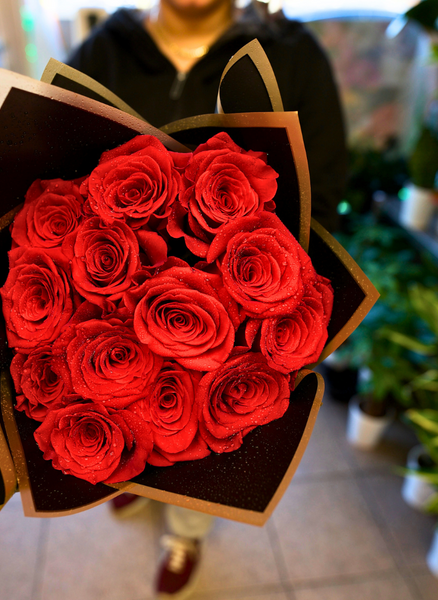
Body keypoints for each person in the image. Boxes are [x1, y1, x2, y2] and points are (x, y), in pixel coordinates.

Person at [67, 1, 347, 598]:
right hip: (113, 312)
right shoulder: (103, 50)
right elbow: (54, 174)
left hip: (239, 326)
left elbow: (321, 194)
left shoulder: (290, 53)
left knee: (207, 437)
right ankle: (130, 480)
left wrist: (260, 290)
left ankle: (185, 532)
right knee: (125, 412)